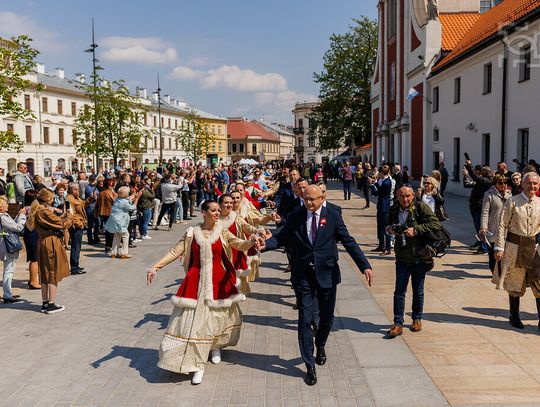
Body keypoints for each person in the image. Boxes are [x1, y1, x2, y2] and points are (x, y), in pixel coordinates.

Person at [263, 185, 373, 385]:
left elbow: (348, 241)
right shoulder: (297, 215)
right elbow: (281, 238)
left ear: (323, 197)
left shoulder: (333, 215)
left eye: (312, 199)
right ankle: (309, 365)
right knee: (305, 318)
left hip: (327, 274)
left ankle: (320, 344)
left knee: (326, 320)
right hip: (303, 275)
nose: (308, 203)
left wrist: (364, 265)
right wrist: (263, 246)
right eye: (306, 199)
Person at [146, 200, 261, 385]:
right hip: (195, 282)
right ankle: (198, 364)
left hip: (218, 282)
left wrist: (251, 241)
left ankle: (215, 347)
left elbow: (239, 245)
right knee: (195, 323)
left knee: (216, 319)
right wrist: (155, 267)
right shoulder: (192, 233)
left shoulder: (222, 231)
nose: (218, 213)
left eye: (218, 210)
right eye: (214, 210)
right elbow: (176, 251)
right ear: (204, 212)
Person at [386, 185, 442, 337]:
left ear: (412, 196)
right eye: (402, 196)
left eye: (408, 196)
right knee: (399, 291)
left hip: (419, 257)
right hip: (402, 257)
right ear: (397, 196)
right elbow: (387, 224)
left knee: (418, 291)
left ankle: (417, 319)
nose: (405, 199)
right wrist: (391, 229)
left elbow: (436, 224)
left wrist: (415, 230)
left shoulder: (420, 207)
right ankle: (398, 323)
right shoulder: (394, 208)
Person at [494, 172, 540, 329]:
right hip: (514, 246)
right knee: (514, 283)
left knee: (539, 282)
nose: (532, 186)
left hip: (534, 248)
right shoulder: (512, 201)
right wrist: (499, 247)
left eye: (535, 183)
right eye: (529, 183)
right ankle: (514, 315)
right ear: (522, 184)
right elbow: (502, 224)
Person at [31, 188, 75, 314]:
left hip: (44, 241)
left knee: (45, 273)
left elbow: (54, 221)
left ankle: (45, 303)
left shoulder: (40, 210)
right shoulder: (43, 211)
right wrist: (69, 215)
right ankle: (50, 304)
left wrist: (63, 214)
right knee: (52, 272)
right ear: (48, 200)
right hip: (50, 241)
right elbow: (62, 224)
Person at [480, 174, 511, 275]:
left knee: (505, 253)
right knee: (493, 254)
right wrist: (483, 227)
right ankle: (494, 272)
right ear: (495, 183)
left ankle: (502, 274)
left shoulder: (509, 195)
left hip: (506, 229)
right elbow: (485, 212)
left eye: (505, 182)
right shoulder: (489, 194)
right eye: (500, 182)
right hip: (493, 228)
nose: (503, 185)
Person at [0, 195, 27, 303]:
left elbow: (12, 225)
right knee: (9, 270)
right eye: (5, 203)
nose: (7, 205)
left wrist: (18, 216)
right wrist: (22, 216)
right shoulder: (2, 216)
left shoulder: (4, 216)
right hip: (7, 246)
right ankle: (7, 295)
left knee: (7, 270)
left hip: (3, 245)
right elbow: (18, 227)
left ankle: (8, 293)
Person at [105, 186, 142, 259]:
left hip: (115, 221)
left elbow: (128, 200)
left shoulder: (118, 199)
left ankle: (114, 252)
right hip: (120, 221)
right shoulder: (124, 202)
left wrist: (133, 196)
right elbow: (132, 208)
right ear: (126, 194)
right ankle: (124, 253)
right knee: (125, 235)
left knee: (117, 236)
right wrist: (137, 198)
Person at [371, 165, 394, 255]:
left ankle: (387, 248)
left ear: (381, 173)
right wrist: (375, 183)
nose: (377, 174)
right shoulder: (385, 181)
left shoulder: (386, 182)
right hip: (381, 206)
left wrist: (373, 184)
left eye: (379, 173)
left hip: (384, 207)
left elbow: (378, 192)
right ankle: (381, 245)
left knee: (385, 228)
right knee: (380, 227)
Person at [66, 183, 88, 275]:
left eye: (78, 189)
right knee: (75, 247)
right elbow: (70, 214)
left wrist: (90, 199)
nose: (78, 191)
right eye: (77, 189)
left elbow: (82, 205)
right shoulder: (69, 199)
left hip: (79, 224)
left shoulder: (76, 198)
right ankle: (74, 268)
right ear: (72, 190)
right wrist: (78, 223)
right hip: (76, 226)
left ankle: (76, 265)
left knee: (77, 247)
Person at [22, 190, 41, 289]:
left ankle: (32, 280)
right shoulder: (34, 209)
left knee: (33, 258)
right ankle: (34, 282)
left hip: (28, 234)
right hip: (33, 233)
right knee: (35, 259)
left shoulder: (24, 208)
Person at [95, 178, 117, 254]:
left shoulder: (102, 192)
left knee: (108, 230)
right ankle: (109, 246)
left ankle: (108, 246)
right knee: (110, 231)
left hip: (104, 214)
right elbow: (116, 201)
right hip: (110, 213)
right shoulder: (109, 193)